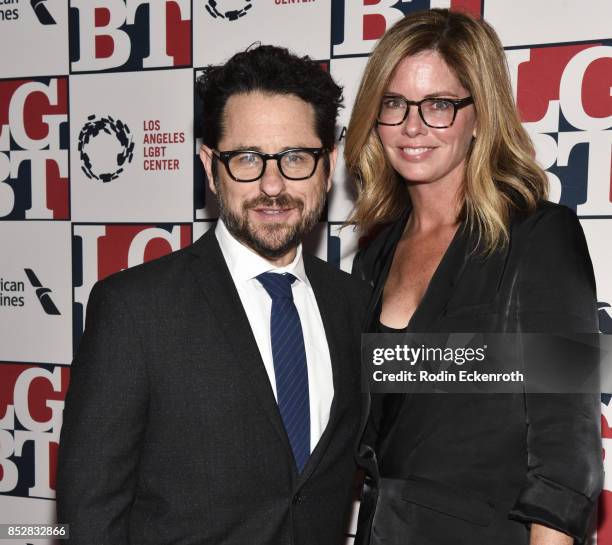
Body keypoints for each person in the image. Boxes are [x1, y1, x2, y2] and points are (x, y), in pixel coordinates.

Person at [57, 45, 370, 545]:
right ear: (210, 166)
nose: (273, 185)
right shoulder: (135, 310)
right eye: (247, 158)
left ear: (328, 165)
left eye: (295, 157)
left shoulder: (353, 305)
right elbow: (90, 515)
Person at [345, 9, 602, 545]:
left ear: (480, 114)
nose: (412, 127)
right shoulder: (374, 255)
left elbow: (566, 452)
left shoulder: (537, 238)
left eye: (439, 104)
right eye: (393, 103)